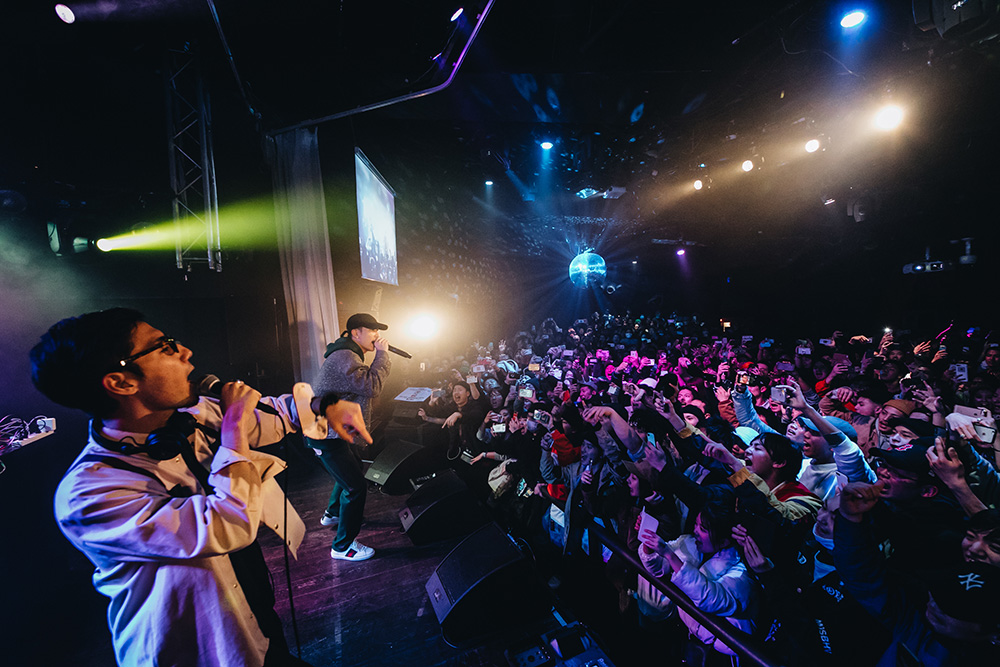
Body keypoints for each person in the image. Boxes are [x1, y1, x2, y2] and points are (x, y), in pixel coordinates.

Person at [30, 308, 371, 667]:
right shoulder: (90, 493)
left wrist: (324, 406)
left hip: (255, 616)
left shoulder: (191, 417)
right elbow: (227, 525)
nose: (185, 352)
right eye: (164, 347)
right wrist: (235, 424)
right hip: (200, 647)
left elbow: (274, 416)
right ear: (121, 382)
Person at [309, 313, 391, 562]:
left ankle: (333, 514)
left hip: (333, 432)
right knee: (355, 487)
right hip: (326, 435)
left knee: (351, 470)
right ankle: (343, 546)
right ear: (356, 332)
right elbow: (372, 386)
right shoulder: (346, 356)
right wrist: (382, 356)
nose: (377, 335)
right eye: (373, 330)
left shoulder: (347, 353)